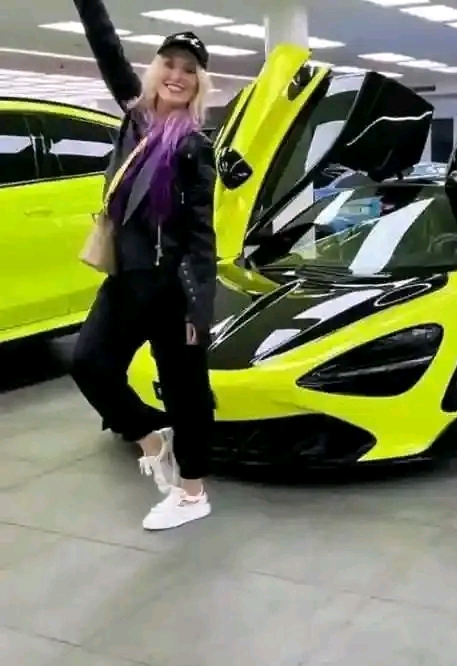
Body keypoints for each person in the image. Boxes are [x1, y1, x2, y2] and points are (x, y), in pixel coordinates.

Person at [69, 0, 217, 531]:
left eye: (189, 70)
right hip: (127, 279)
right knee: (89, 364)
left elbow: (201, 234)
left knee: (186, 393)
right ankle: (153, 441)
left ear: (198, 84)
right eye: (169, 65)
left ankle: (193, 493)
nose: (177, 76)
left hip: (172, 287)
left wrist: (200, 308)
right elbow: (107, 49)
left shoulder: (195, 147)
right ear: (156, 71)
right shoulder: (135, 118)